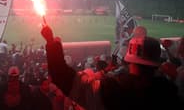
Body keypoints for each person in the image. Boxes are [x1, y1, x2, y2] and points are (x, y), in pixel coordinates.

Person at [41, 25, 182, 110]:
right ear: (157, 62)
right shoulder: (170, 93)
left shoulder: (112, 90)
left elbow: (65, 80)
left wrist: (51, 43)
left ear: (129, 59)